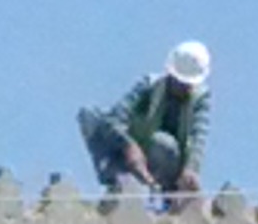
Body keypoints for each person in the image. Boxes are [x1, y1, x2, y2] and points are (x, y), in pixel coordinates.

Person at [79, 41, 210, 201]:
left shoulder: (200, 99)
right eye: (180, 82)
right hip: (132, 156)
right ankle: (115, 180)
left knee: (163, 142)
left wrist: (191, 169)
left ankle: (161, 191)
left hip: (166, 161)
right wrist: (128, 145)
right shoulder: (149, 86)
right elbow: (115, 118)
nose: (184, 88)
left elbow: (199, 138)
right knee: (90, 115)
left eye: (188, 84)